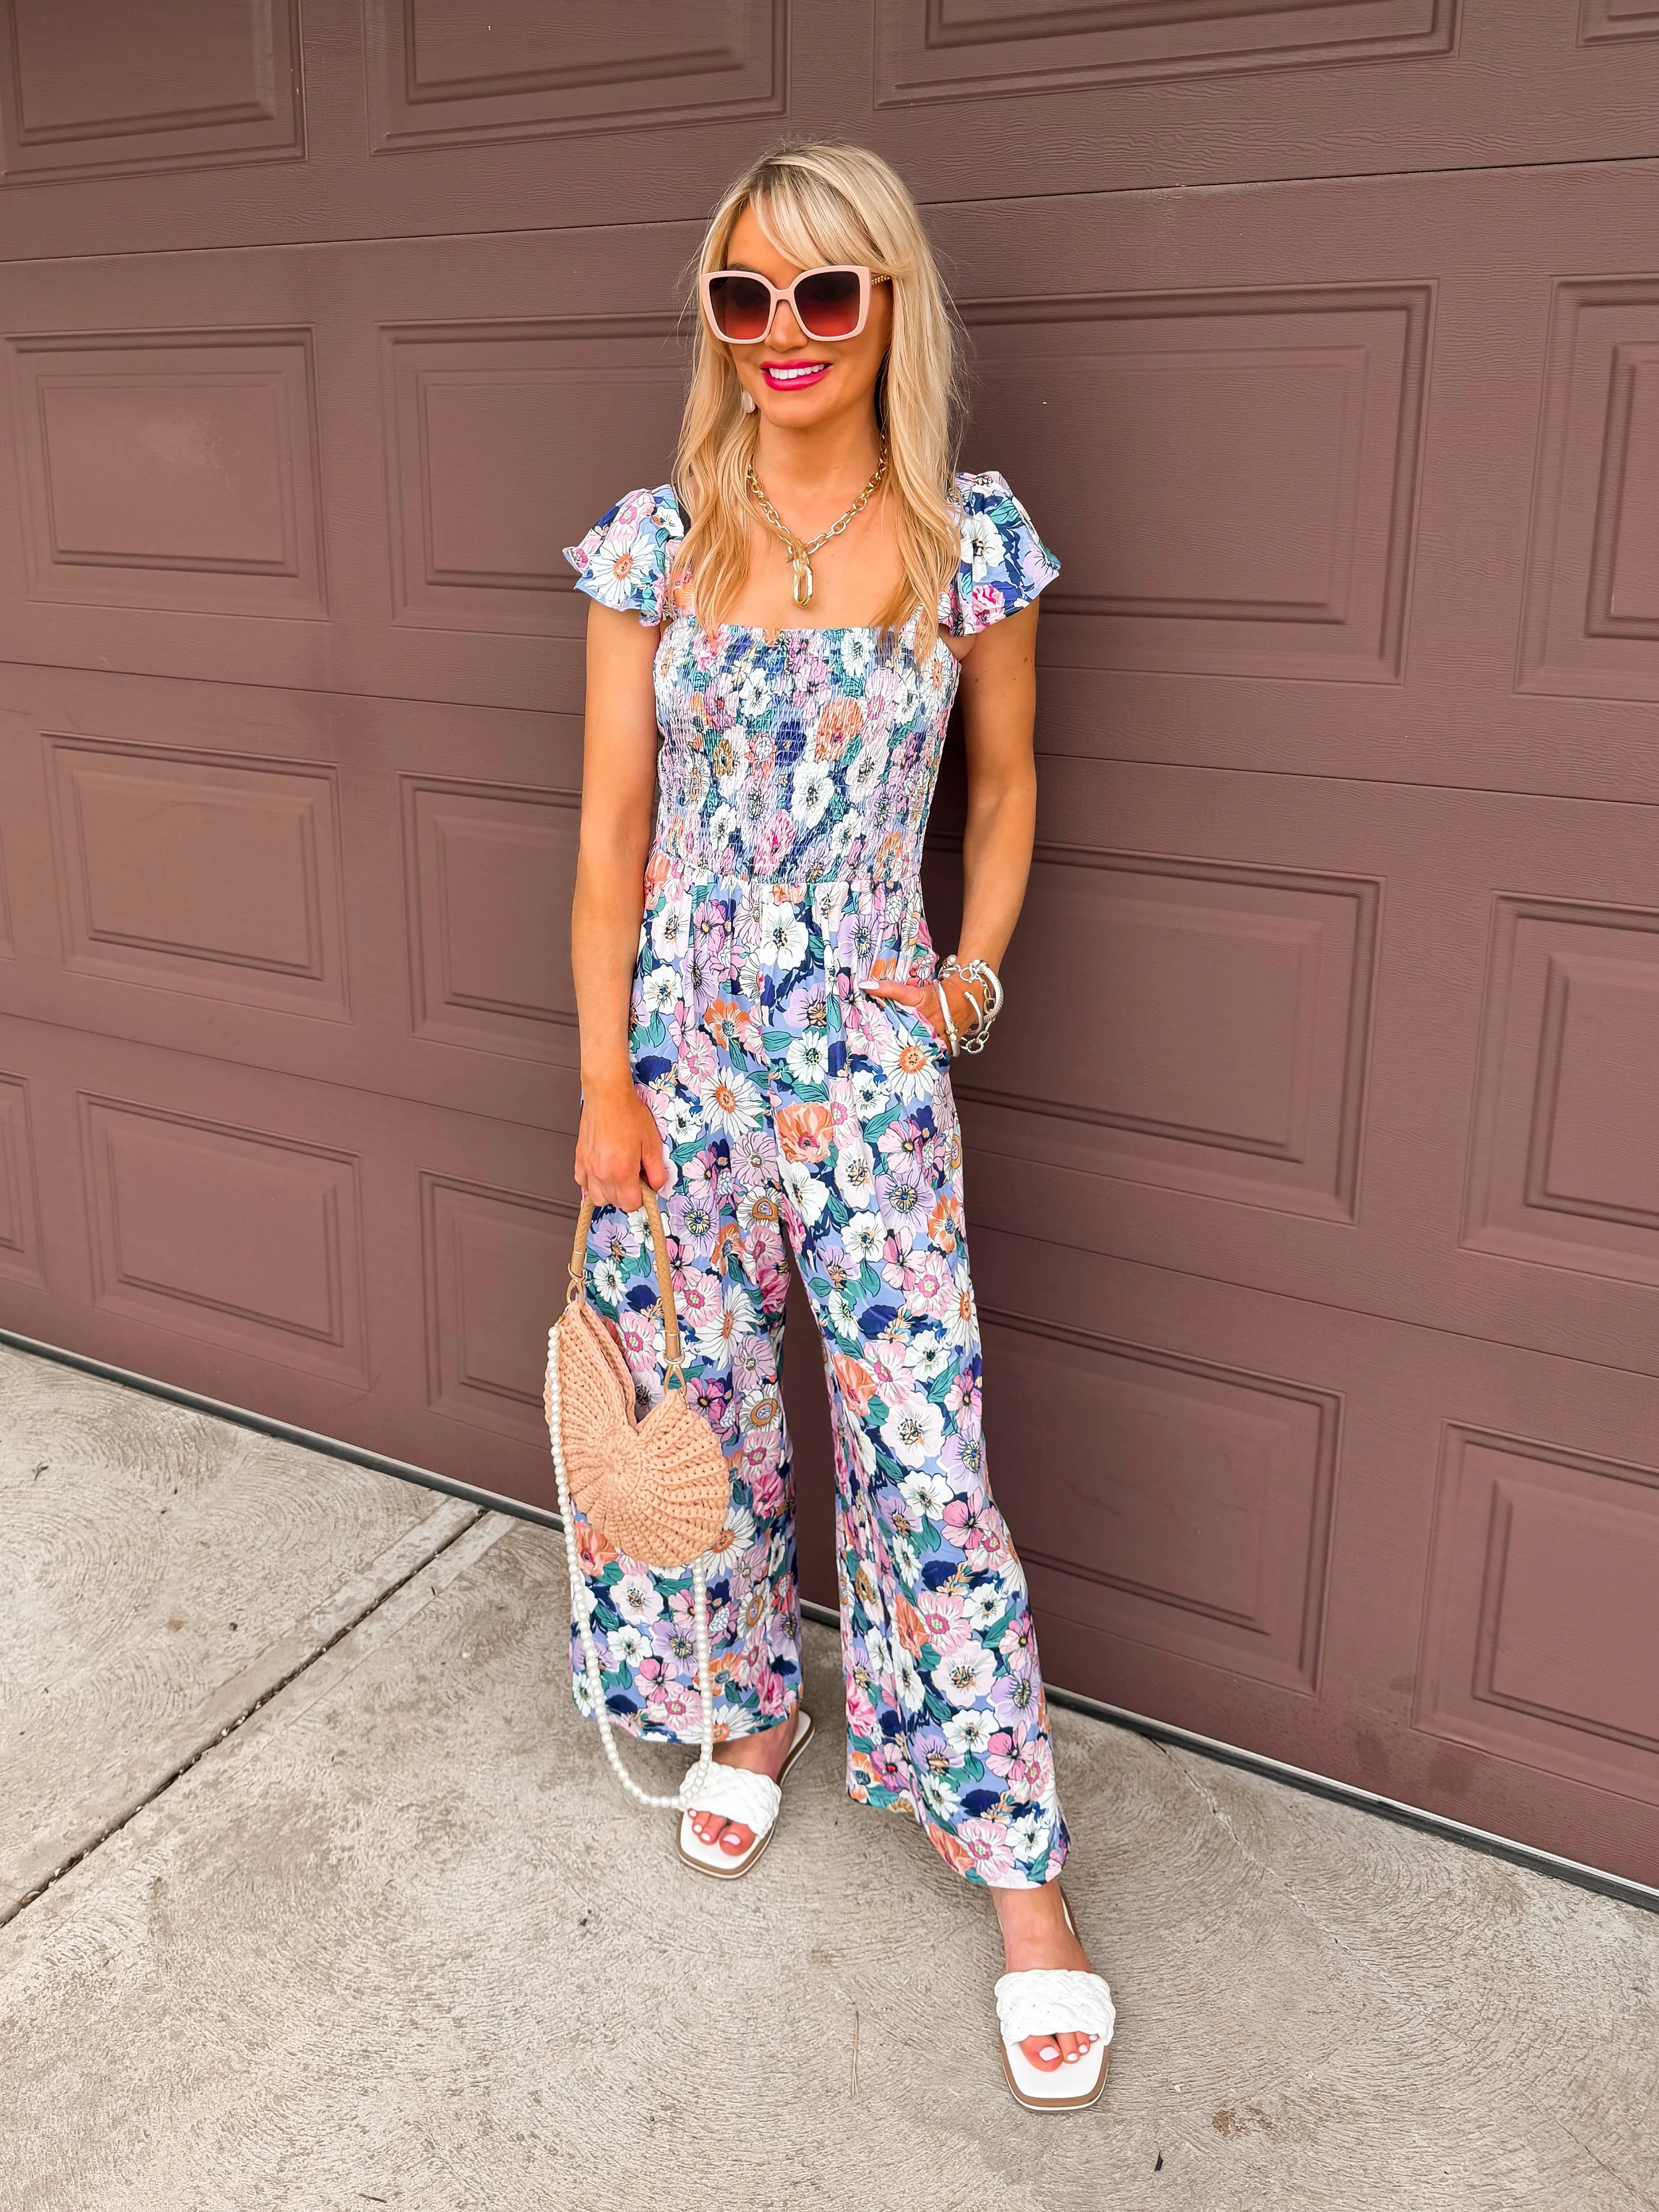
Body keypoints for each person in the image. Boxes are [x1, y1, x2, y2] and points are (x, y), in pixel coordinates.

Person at [562, 139, 1115, 2111]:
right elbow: (611, 834)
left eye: (823, 292)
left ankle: (1015, 1864)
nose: (783, 334)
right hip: (679, 1052)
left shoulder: (970, 541)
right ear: (712, 320)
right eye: (743, 295)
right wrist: (602, 1080)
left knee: (920, 1443)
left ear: (889, 305)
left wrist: (962, 980)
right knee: (694, 1412)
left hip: (867, 1063)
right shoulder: (656, 539)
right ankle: (742, 1705)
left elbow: (1008, 787)